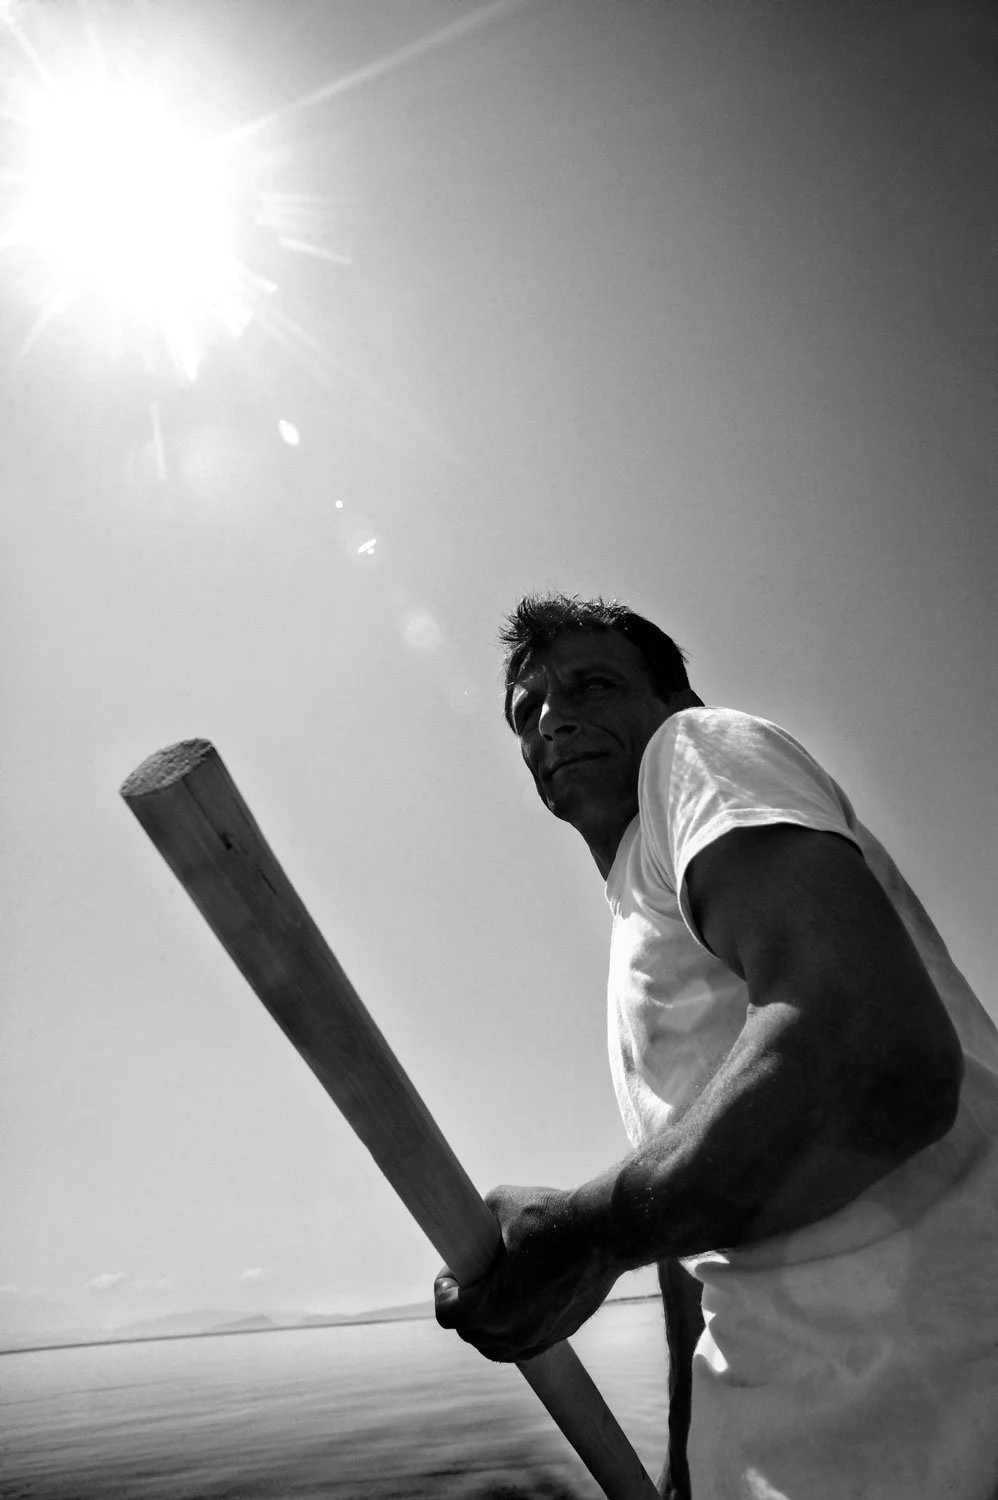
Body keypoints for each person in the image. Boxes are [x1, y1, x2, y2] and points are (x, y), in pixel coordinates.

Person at [434, 592, 998, 1500]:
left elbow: (871, 1055)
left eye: (591, 685)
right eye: (527, 714)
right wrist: (684, 1467)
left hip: (939, 1423)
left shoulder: (692, 753)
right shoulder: (644, 917)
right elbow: (690, 1248)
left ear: (672, 699)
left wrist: (585, 1235)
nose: (554, 720)